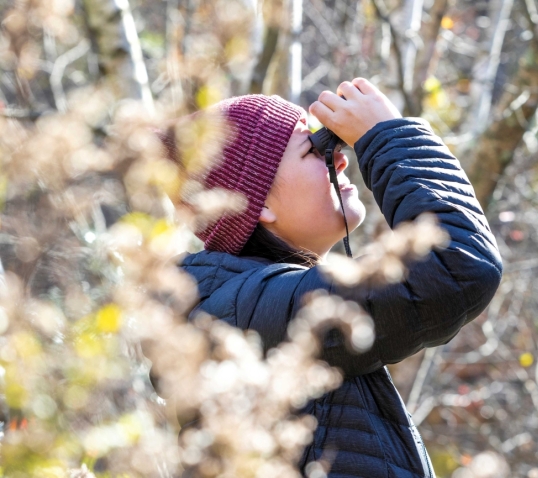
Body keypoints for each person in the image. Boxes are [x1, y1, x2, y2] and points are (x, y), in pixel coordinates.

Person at [159, 78, 503, 477]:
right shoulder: (243, 315)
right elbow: (457, 268)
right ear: (260, 203)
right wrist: (385, 136)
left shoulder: (246, 306)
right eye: (315, 149)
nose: (340, 157)